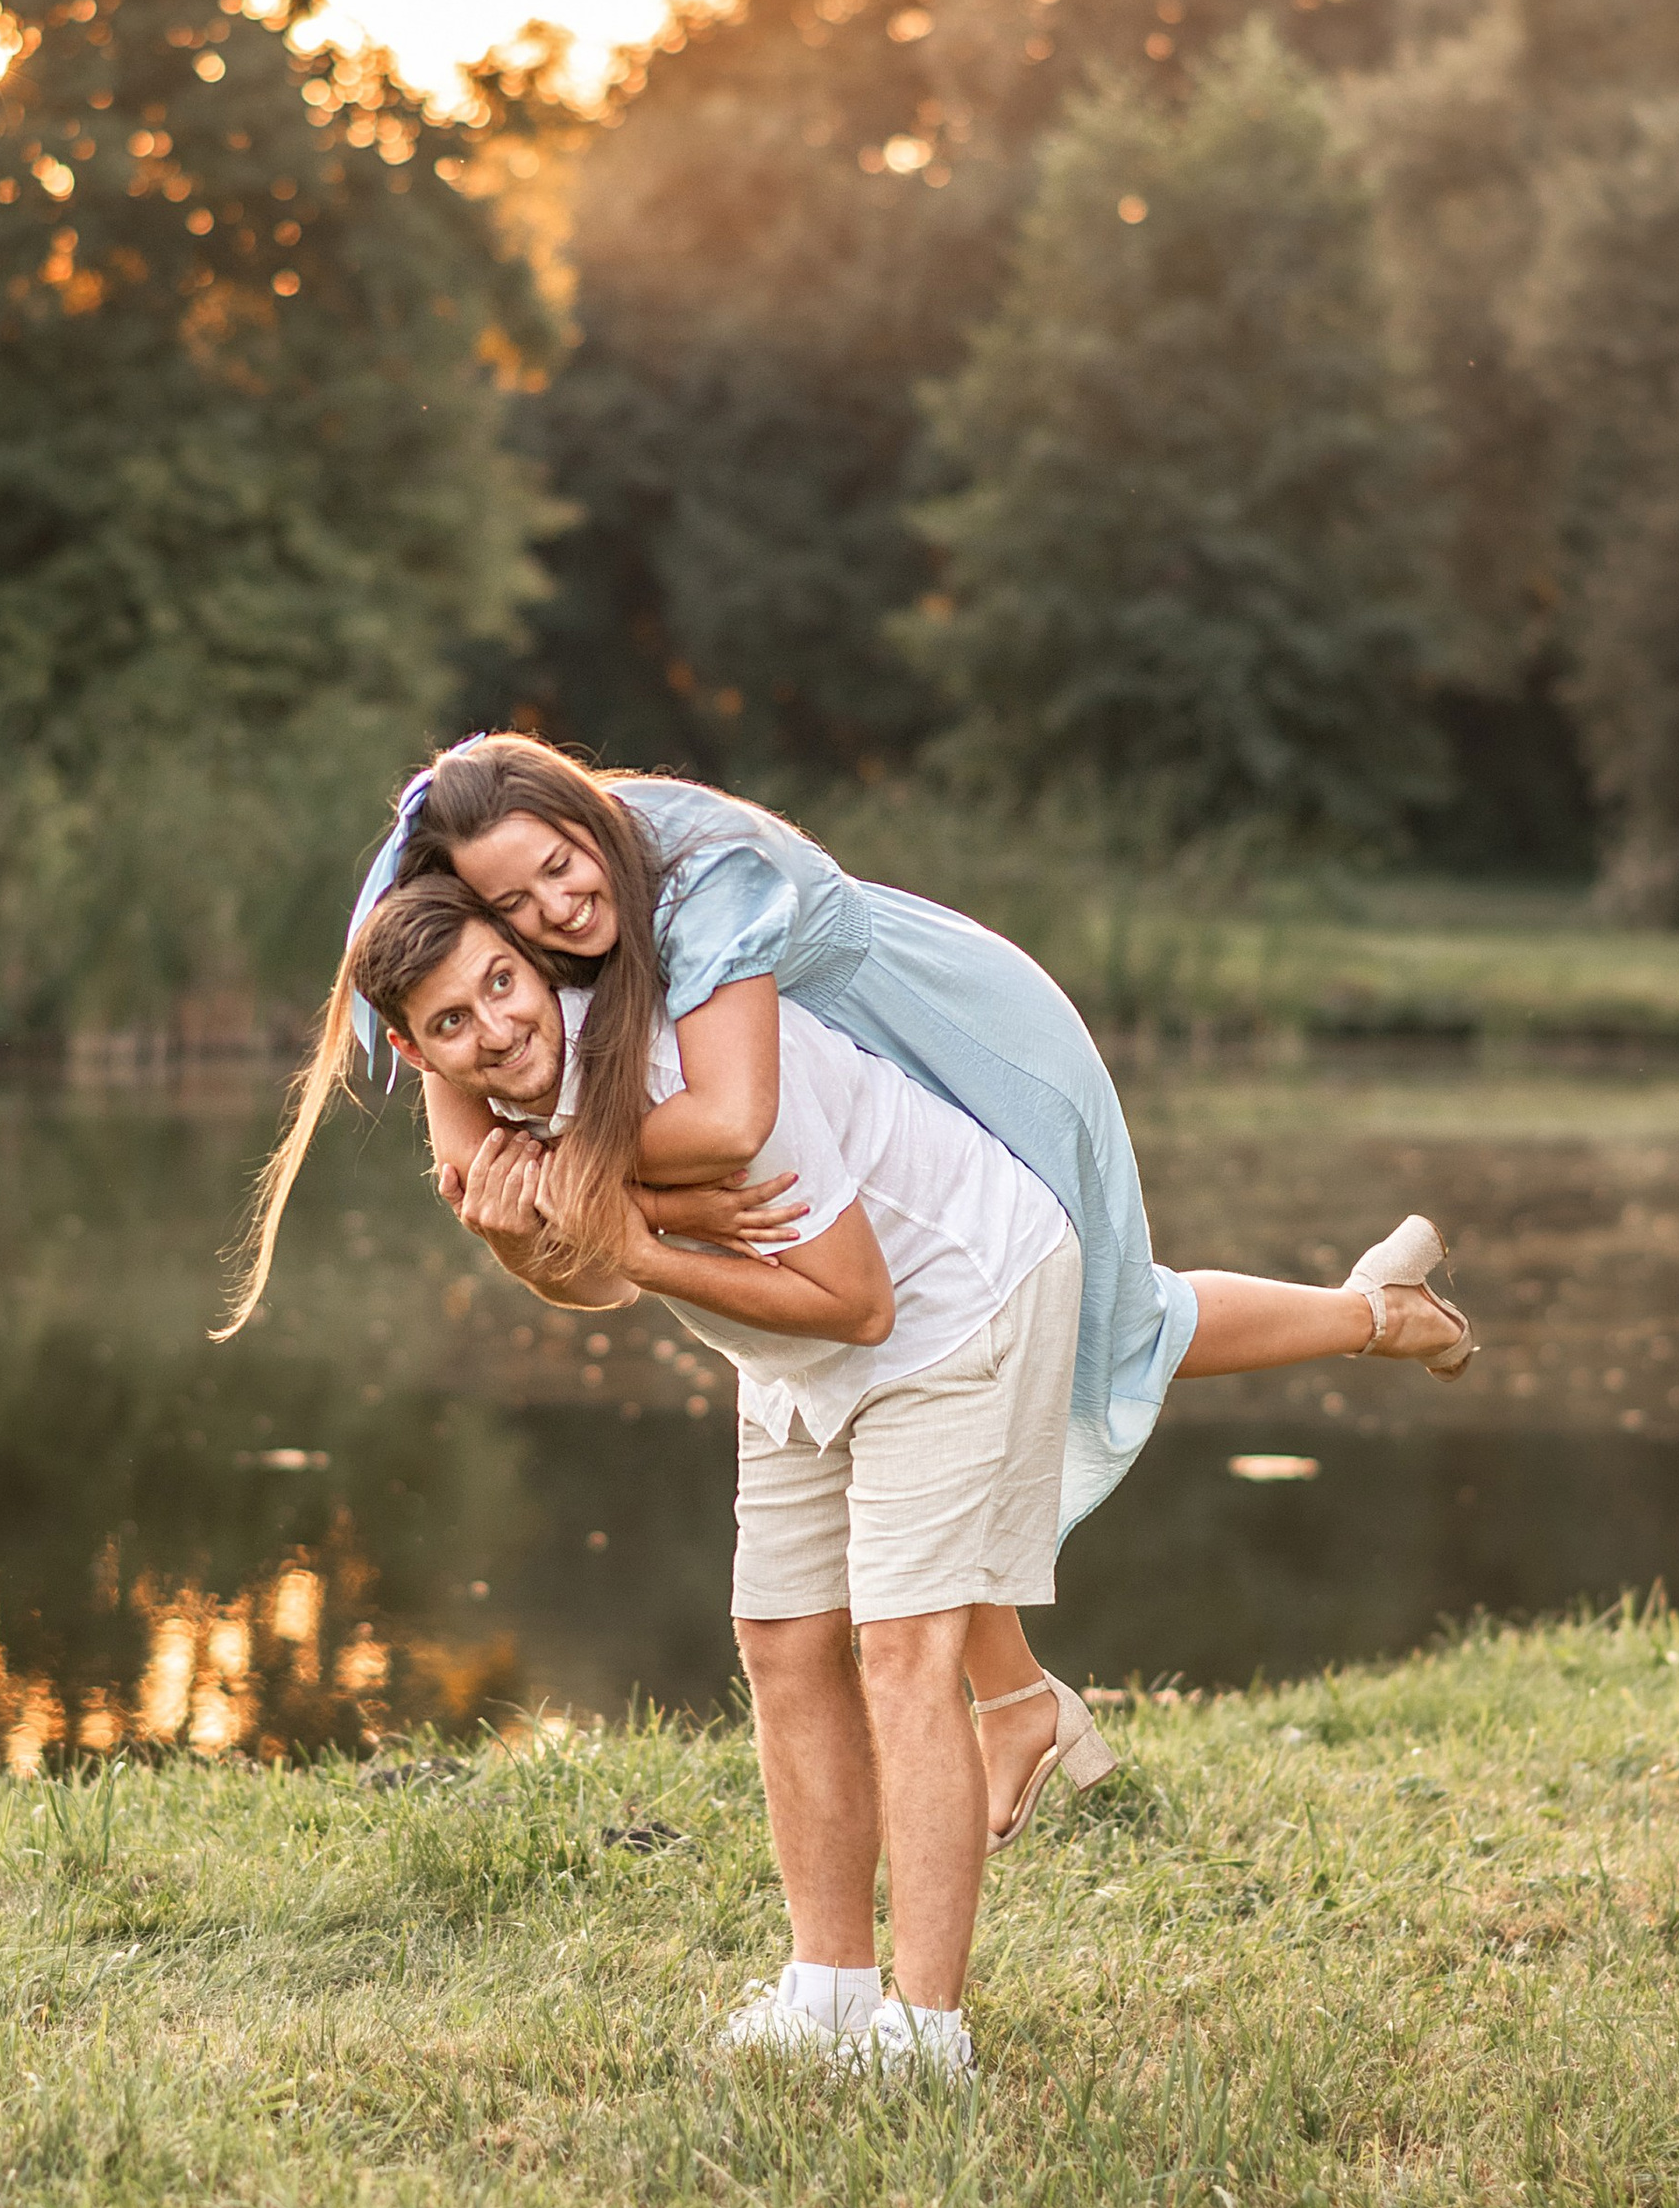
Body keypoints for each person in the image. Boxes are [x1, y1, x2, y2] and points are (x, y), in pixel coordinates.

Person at [228, 734, 1475, 1843]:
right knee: (932, 1362)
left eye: (563, 866)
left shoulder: (698, 871)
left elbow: (727, 1121)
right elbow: (477, 1172)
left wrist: (611, 1201)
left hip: (932, 1023)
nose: (556, 910)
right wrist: (582, 1202)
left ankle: (1363, 1327)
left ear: (588, 816)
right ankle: (1364, 1327)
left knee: (1088, 1308)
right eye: (514, 901)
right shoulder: (444, 926)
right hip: (810, 1070)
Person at [337, 869, 1464, 2084]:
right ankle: (826, 1989)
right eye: (454, 1022)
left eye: (503, 984)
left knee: (904, 1649)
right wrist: (521, 1241)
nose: (496, 1027)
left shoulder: (674, 1063)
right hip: (793, 1351)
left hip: (952, 1304)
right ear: (417, 1051)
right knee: (777, 1637)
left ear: (534, 961)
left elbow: (856, 1301)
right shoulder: (504, 1111)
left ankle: (928, 2032)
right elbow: (596, 1276)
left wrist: (645, 1249)